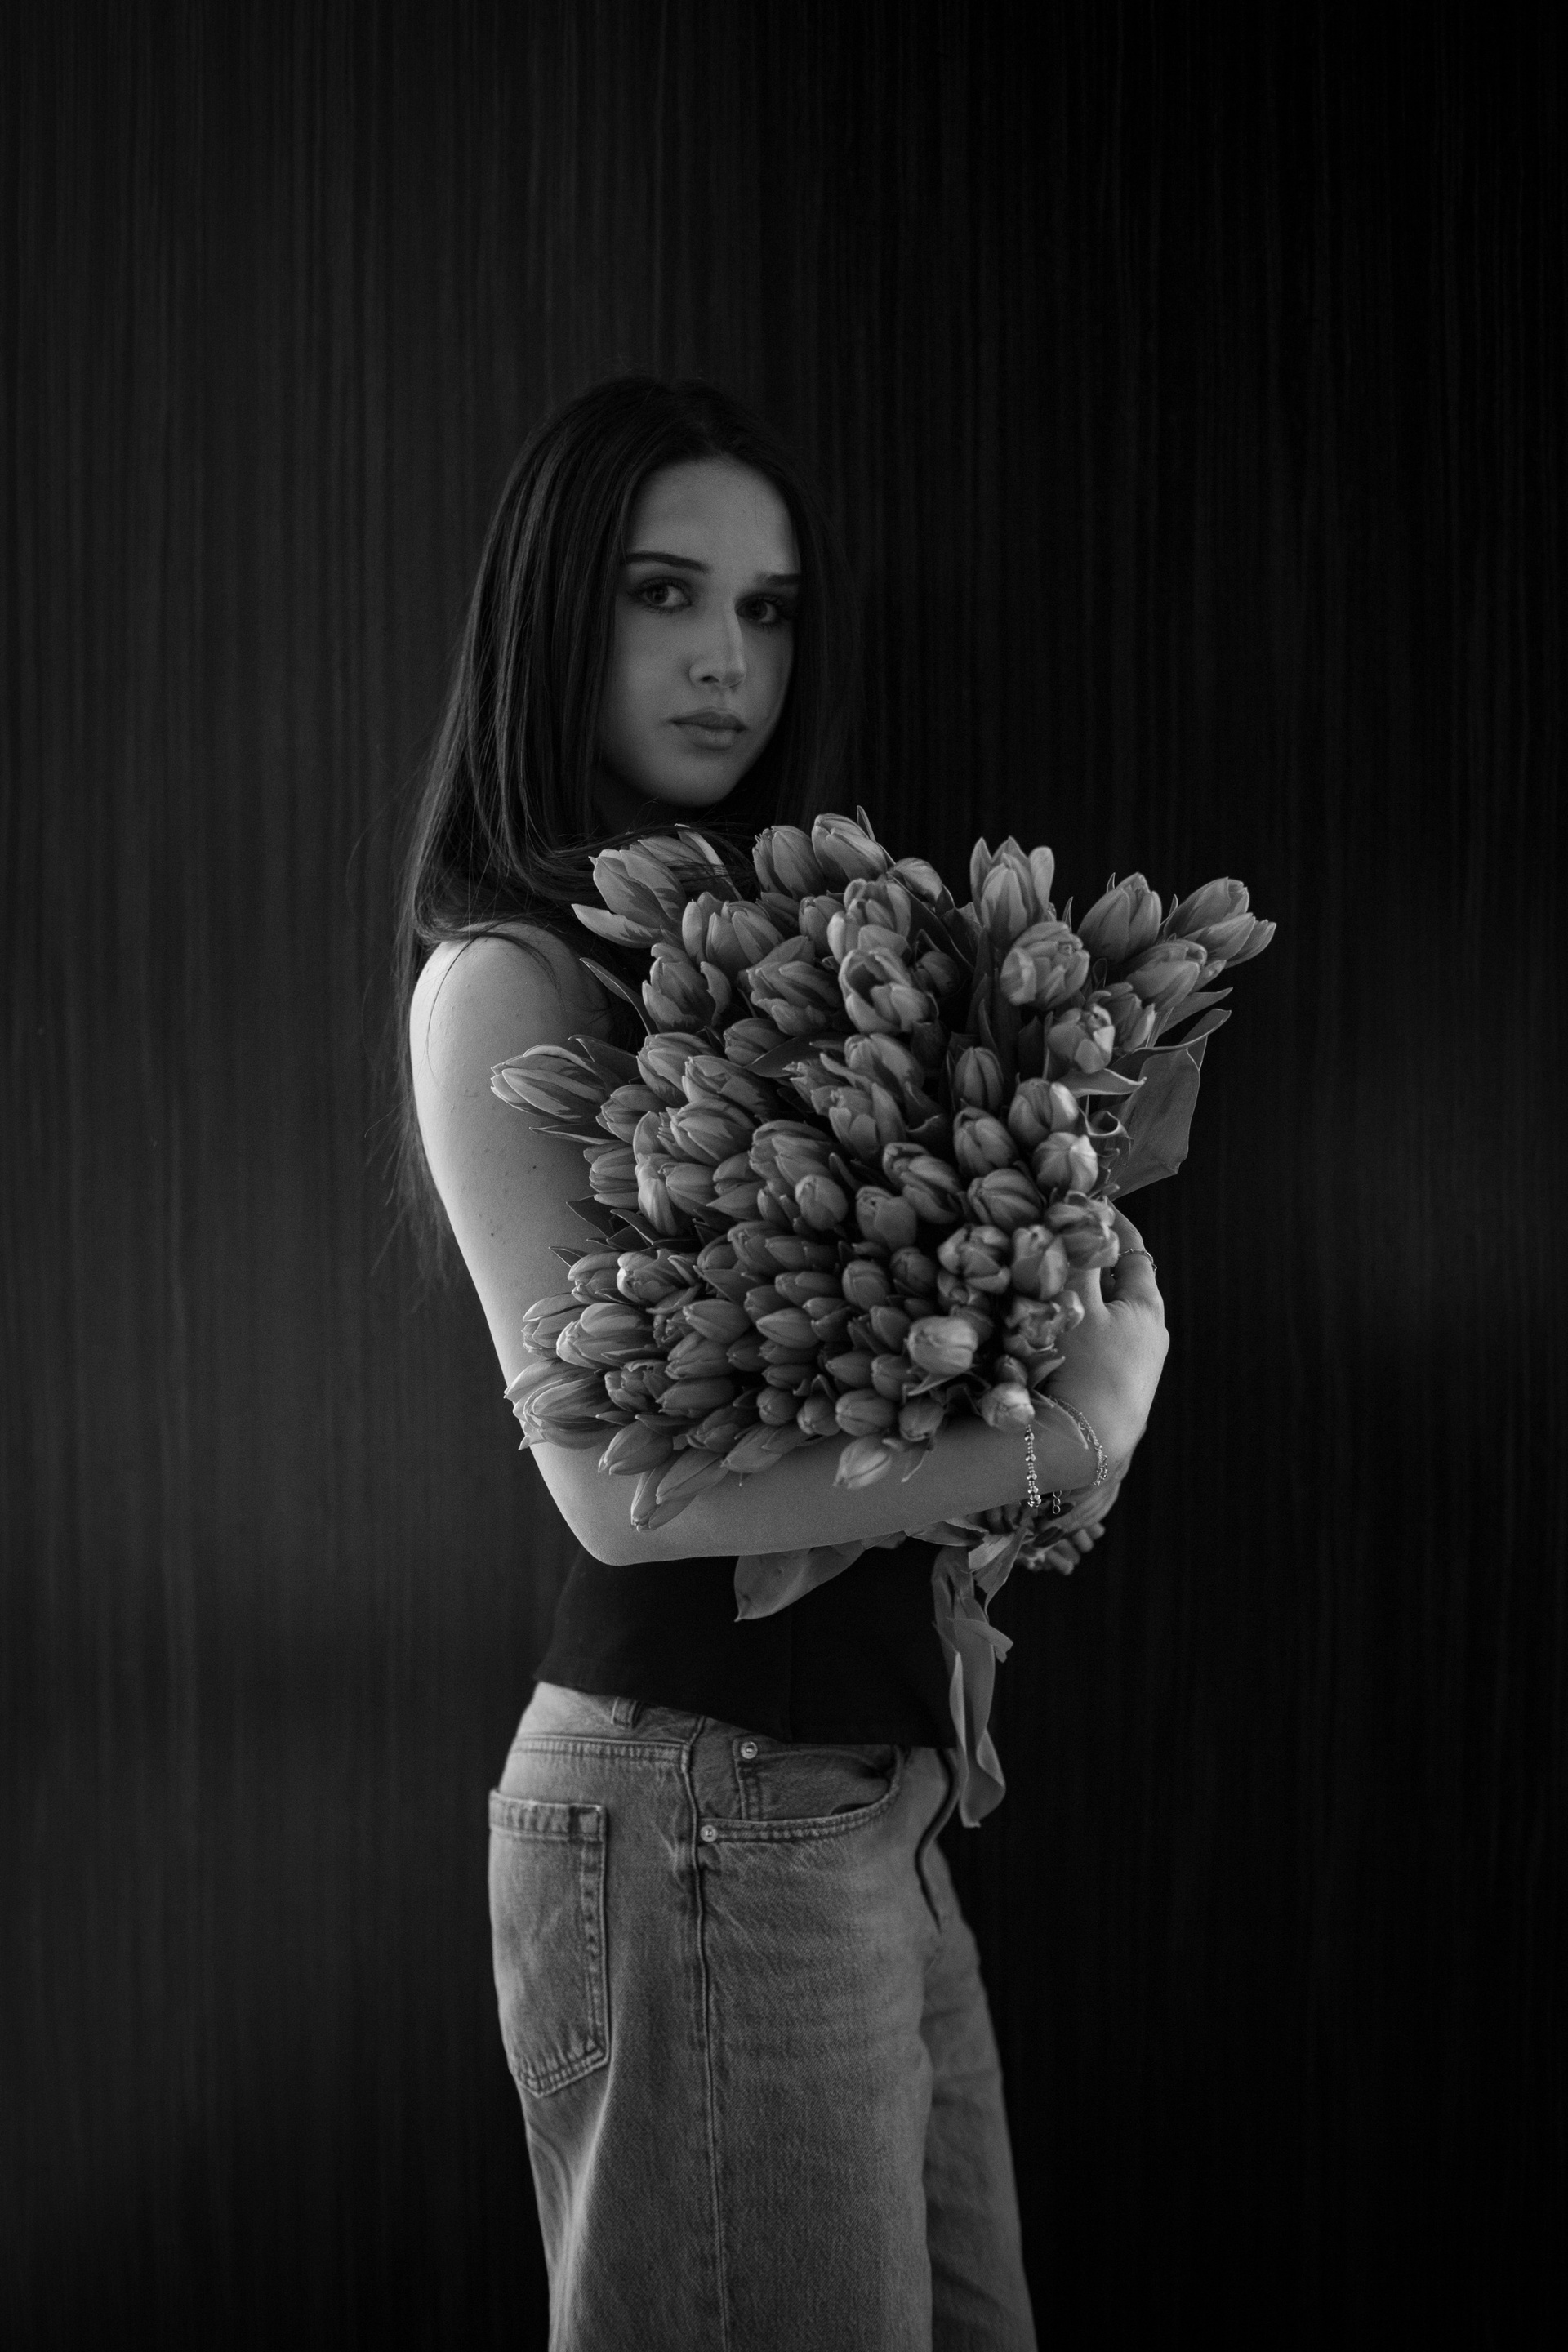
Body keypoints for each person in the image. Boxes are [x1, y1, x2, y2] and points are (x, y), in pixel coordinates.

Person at [395, 376, 1168, 2351]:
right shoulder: (510, 977)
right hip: (697, 1800)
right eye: (663, 593)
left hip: (856, 1807)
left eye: (766, 607)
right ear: (557, 610)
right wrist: (1075, 1440)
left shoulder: (790, 938)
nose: (725, 659)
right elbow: (618, 1495)